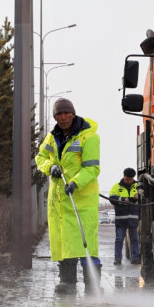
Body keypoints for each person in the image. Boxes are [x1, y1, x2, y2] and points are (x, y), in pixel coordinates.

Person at [35, 98, 102, 295]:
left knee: (85, 242)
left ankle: (93, 285)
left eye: (66, 114)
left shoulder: (88, 137)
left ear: (73, 114)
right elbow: (40, 157)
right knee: (64, 242)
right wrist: (50, 167)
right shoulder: (51, 137)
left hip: (81, 200)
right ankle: (67, 282)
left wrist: (75, 182)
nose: (63, 118)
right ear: (55, 117)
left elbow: (92, 168)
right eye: (58, 115)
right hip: (59, 201)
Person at [108, 168, 141, 265]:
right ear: (124, 176)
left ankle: (135, 258)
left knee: (134, 239)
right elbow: (112, 198)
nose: (129, 181)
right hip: (121, 219)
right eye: (127, 179)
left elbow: (144, 198)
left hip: (133, 218)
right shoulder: (117, 187)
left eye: (131, 179)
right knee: (119, 239)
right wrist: (123, 199)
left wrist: (138, 197)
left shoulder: (138, 186)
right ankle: (117, 259)